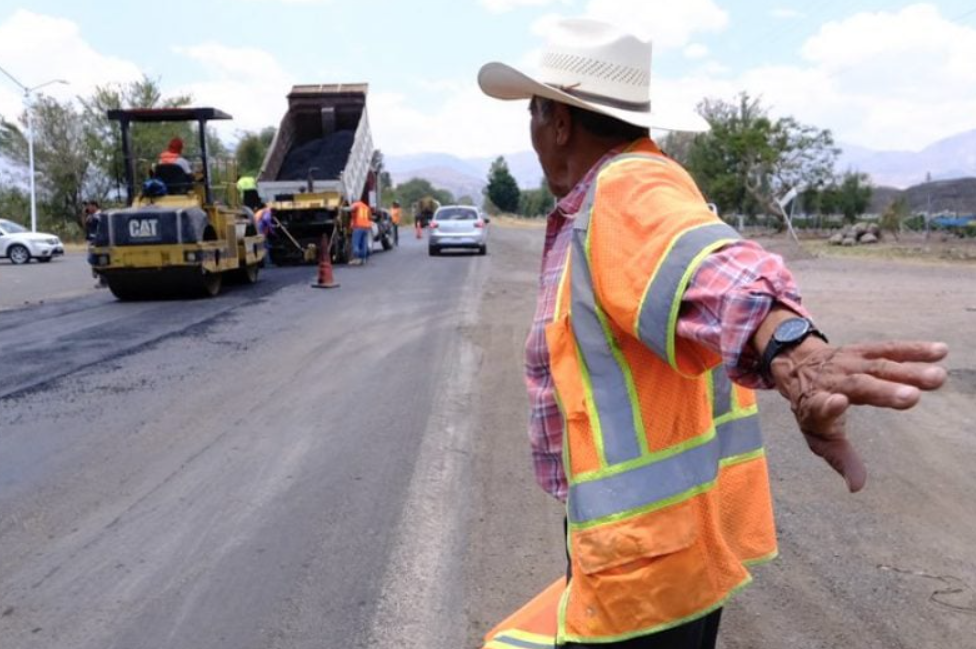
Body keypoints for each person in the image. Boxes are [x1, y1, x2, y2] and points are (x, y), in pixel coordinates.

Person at [476, 18, 948, 649]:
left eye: (532, 117)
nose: (532, 137)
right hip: (678, 552)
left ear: (558, 122)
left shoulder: (625, 191)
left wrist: (792, 350)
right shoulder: (649, 185)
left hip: (640, 574)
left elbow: (721, 274)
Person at [350, 199, 372, 265]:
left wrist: (341, 209)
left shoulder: (356, 204)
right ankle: (363, 259)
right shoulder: (366, 207)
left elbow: (350, 209)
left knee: (355, 243)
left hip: (358, 227)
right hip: (366, 227)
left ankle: (357, 259)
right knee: (364, 244)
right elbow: (370, 217)